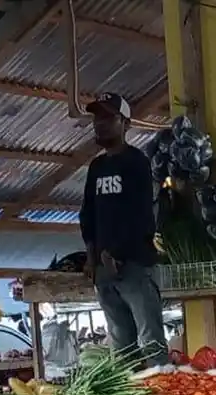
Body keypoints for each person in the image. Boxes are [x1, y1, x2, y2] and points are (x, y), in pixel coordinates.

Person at [80, 92, 169, 368]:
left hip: (135, 266)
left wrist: (117, 254)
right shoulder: (96, 166)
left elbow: (142, 216)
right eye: (97, 118)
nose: (101, 124)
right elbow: (88, 214)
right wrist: (91, 256)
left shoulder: (137, 162)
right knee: (121, 346)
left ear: (125, 123)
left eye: (108, 118)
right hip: (105, 271)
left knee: (150, 339)